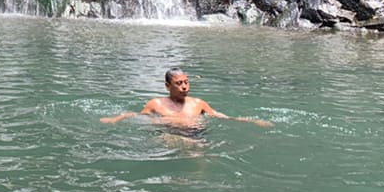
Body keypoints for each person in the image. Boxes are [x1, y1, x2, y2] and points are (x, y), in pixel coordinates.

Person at [100, 68, 272, 128]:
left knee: (197, 149)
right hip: (169, 133)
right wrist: (116, 118)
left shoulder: (198, 103)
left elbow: (221, 116)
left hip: (196, 133)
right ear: (168, 86)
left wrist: (253, 121)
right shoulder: (156, 104)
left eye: (186, 82)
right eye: (179, 83)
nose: (184, 86)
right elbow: (139, 116)